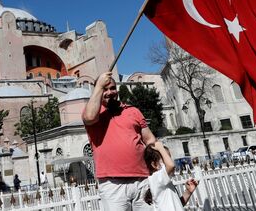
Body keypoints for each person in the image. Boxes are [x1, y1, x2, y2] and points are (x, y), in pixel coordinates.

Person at [82, 71, 157, 211]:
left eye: (112, 88)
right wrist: (99, 85)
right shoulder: (93, 112)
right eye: (105, 89)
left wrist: (159, 163)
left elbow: (150, 140)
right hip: (112, 184)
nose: (110, 92)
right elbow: (89, 117)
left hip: (142, 180)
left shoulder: (132, 111)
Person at [143, 142, 198, 210]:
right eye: (166, 158)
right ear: (154, 164)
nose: (170, 161)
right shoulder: (156, 178)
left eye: (170, 158)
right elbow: (171, 165)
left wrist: (188, 192)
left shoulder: (164, 182)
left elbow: (178, 204)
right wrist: (160, 148)